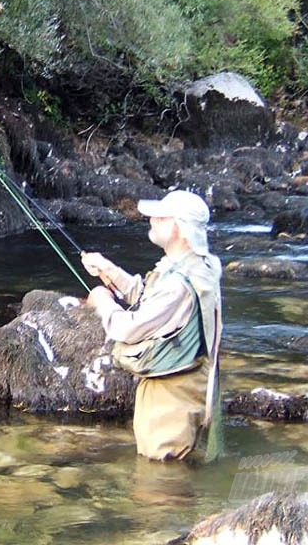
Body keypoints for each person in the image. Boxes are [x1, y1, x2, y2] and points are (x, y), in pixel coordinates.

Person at [81, 189, 222, 462]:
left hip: (172, 394)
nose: (152, 220)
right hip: (181, 382)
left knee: (161, 479)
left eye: (161, 217)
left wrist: (102, 302)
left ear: (180, 229)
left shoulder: (178, 283)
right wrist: (109, 270)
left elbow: (128, 329)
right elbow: (149, 297)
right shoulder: (192, 264)